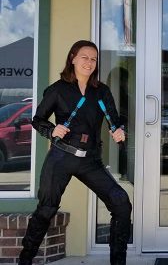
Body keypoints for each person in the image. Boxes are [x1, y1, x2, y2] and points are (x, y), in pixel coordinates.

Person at [18, 40, 132, 265]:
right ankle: (25, 260)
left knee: (121, 203)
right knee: (46, 209)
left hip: (90, 160)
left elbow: (114, 119)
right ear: (72, 58)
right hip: (61, 157)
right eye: (84, 57)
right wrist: (52, 130)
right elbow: (37, 119)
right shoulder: (57, 90)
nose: (89, 62)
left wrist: (118, 130)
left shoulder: (101, 91)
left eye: (94, 59)